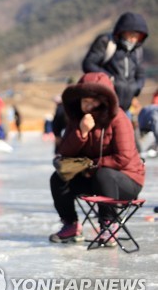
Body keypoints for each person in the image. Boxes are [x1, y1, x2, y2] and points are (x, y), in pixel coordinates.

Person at [49, 72, 145, 246]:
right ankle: (70, 224)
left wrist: (90, 167)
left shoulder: (119, 119)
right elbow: (64, 152)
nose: (89, 106)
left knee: (104, 174)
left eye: (94, 101)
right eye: (85, 101)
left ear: (104, 100)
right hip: (92, 177)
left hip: (126, 179)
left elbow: (123, 158)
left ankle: (108, 224)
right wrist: (82, 132)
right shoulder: (76, 120)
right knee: (58, 178)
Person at [82, 12, 149, 113]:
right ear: (122, 32)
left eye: (137, 36)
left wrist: (137, 88)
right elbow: (88, 64)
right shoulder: (106, 42)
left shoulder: (137, 51)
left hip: (126, 108)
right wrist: (109, 79)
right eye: (131, 34)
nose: (133, 39)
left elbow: (140, 73)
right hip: (104, 106)